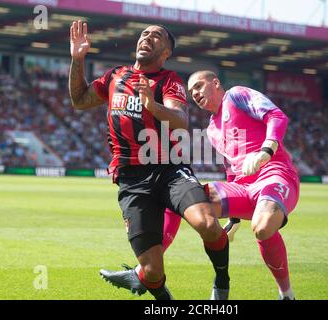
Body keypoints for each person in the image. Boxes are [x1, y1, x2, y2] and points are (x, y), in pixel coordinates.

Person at [69, 22, 230, 300]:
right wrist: (77, 59)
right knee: (152, 272)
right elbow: (80, 100)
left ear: (165, 52)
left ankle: (222, 280)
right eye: (145, 33)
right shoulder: (114, 76)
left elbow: (180, 121)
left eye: (156, 36)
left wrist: (152, 105)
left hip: (170, 169)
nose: (148, 37)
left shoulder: (169, 80)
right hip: (131, 179)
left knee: (207, 224)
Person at [146, 70, 300, 300]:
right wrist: (234, 217)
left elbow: (277, 116)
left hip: (274, 174)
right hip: (242, 188)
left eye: (199, 86)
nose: (195, 94)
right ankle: (146, 268)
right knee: (182, 196)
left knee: (263, 226)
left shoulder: (237, 95)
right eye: (191, 92)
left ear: (215, 83)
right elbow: (231, 170)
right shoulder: (211, 130)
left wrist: (266, 151)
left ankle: (286, 294)